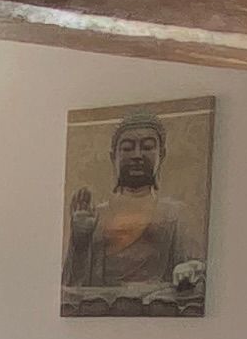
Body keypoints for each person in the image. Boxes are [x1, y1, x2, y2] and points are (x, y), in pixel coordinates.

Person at [65, 112, 202, 311]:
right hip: (100, 302)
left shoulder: (175, 212)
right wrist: (80, 242)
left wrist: (190, 269)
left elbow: (193, 267)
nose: (137, 155)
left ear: (161, 155)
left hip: (156, 300)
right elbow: (73, 283)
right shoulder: (96, 215)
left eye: (147, 147)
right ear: (113, 156)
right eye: (127, 148)